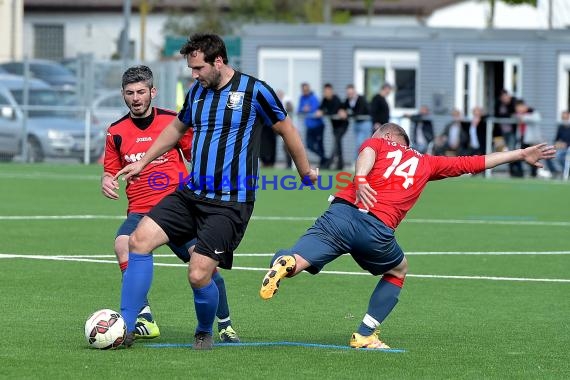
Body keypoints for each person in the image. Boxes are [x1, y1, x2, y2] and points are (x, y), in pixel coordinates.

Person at [259, 122, 554, 349]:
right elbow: (474, 161)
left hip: (338, 215)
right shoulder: (427, 162)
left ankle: (286, 262)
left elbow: (368, 151)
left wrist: (360, 178)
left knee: (297, 259)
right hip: (375, 229)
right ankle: (364, 335)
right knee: (398, 269)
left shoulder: (379, 144)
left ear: (390, 138)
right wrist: (520, 153)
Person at [114, 33, 317, 349]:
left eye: (198, 68)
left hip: (230, 204)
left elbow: (286, 129)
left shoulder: (255, 91)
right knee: (138, 241)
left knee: (198, 275)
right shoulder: (197, 92)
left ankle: (204, 329)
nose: (193, 75)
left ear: (218, 61)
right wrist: (144, 163)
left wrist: (304, 171)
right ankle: (125, 327)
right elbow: (176, 129)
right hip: (192, 194)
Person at [101, 65, 240, 344]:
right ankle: (143, 318)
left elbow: (196, 155)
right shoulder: (115, 131)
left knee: (207, 268)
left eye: (141, 91)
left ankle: (224, 324)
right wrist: (106, 180)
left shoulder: (173, 122)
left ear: (153, 91)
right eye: (130, 93)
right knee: (122, 243)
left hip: (179, 209)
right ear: (123, 95)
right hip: (140, 211)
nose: (136, 98)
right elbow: (110, 168)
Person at [317, 83, 348, 170]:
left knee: (336, 144)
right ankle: (340, 165)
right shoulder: (325, 100)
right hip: (335, 126)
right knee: (338, 145)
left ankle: (327, 164)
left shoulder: (336, 99)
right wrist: (320, 111)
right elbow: (321, 108)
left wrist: (323, 112)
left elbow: (333, 111)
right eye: (325, 91)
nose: (326, 93)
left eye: (328, 91)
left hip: (342, 125)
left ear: (331, 91)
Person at [298, 82, 328, 168]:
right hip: (309, 126)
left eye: (306, 89)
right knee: (309, 145)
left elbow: (317, 110)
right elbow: (299, 110)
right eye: (303, 90)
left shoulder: (314, 98)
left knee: (320, 144)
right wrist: (304, 109)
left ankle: (323, 162)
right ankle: (324, 158)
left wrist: (308, 109)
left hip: (318, 125)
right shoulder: (302, 98)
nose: (305, 91)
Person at [515, 99, 542, 178]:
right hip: (522, 137)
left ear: (523, 106)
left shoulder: (532, 111)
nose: (518, 109)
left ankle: (534, 173)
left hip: (532, 138)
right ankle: (521, 173)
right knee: (520, 155)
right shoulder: (519, 114)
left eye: (519, 107)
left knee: (533, 157)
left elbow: (537, 118)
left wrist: (524, 117)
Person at [343, 84, 371, 160]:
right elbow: (343, 107)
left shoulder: (361, 99)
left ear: (354, 92)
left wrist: (347, 114)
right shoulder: (348, 100)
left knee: (362, 144)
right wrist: (342, 111)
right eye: (348, 94)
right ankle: (359, 161)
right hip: (357, 124)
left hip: (365, 123)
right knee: (358, 144)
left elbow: (359, 112)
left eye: (351, 93)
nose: (350, 95)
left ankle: (360, 161)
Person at [546, 110, 570, 177]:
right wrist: (556, 144)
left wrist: (566, 145)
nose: (564, 119)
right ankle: (554, 172)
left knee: (560, 157)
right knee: (547, 154)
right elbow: (556, 139)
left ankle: (566, 172)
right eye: (563, 118)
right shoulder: (560, 127)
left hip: (568, 149)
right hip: (561, 148)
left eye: (565, 118)